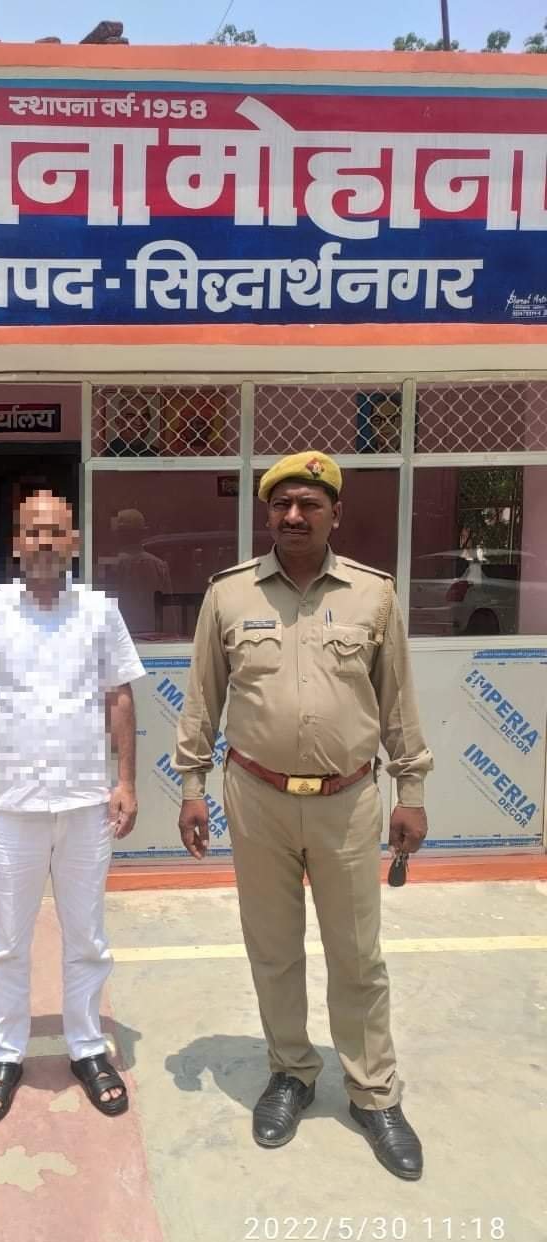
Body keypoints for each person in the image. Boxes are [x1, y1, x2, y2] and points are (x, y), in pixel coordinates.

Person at [174, 450, 432, 1181]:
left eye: (309, 504)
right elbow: (203, 695)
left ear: (334, 514)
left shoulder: (373, 595)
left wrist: (411, 791)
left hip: (347, 802)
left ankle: (374, 1093)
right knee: (274, 949)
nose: (294, 515)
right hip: (255, 798)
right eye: (282, 504)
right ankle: (290, 1072)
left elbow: (398, 702)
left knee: (357, 956)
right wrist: (191, 784)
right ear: (268, 514)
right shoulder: (229, 595)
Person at [0, 490, 145, 1124]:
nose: (45, 542)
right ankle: (7, 1052)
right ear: (15, 543)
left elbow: (119, 698)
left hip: (86, 803)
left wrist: (126, 780)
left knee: (87, 936)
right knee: (8, 940)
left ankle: (87, 1046)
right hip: (12, 806)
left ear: (75, 542)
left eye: (56, 531)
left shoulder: (101, 613)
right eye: (33, 532)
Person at [106, 508, 173, 636]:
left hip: (119, 637)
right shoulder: (158, 565)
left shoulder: (110, 566)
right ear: (143, 533)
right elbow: (169, 612)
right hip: (154, 638)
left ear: (118, 534)